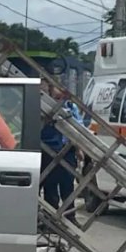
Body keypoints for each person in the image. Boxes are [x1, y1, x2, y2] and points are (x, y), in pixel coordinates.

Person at [40, 84, 86, 224]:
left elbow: (79, 128)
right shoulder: (44, 106)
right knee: (50, 185)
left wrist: (79, 149)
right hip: (48, 150)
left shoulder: (70, 107)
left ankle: (70, 217)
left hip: (67, 150)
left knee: (67, 187)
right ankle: (51, 218)